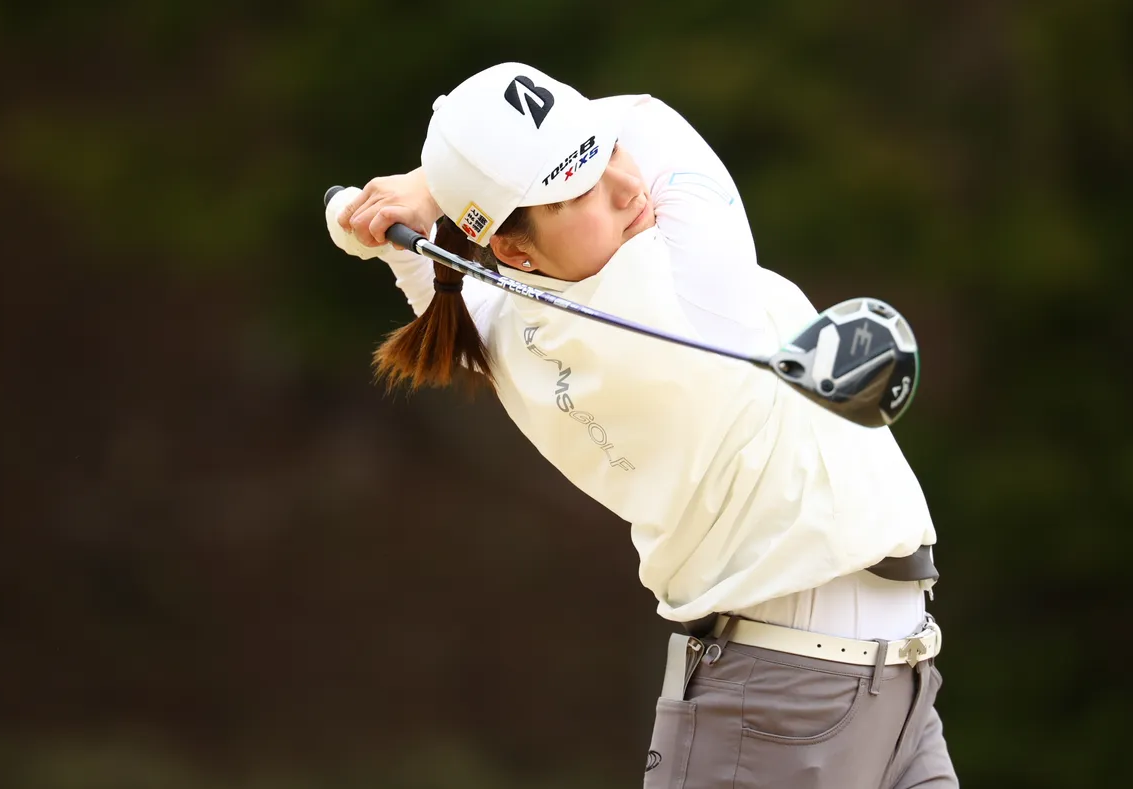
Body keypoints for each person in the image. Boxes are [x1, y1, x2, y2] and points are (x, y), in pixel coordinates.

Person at [330, 62, 957, 789]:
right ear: (511, 248)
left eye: (608, 155)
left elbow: (432, 282)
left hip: (884, 687)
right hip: (787, 704)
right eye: (579, 189)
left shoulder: (506, 328)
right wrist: (430, 186)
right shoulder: (686, 281)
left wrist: (405, 218)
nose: (627, 187)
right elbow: (648, 117)